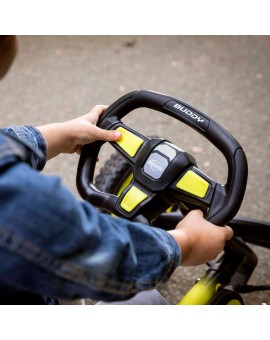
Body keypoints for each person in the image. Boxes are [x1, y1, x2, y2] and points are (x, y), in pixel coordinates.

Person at [0, 36, 233, 304]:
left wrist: (51, 136)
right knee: (142, 301)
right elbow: (101, 257)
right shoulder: (17, 203)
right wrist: (187, 244)